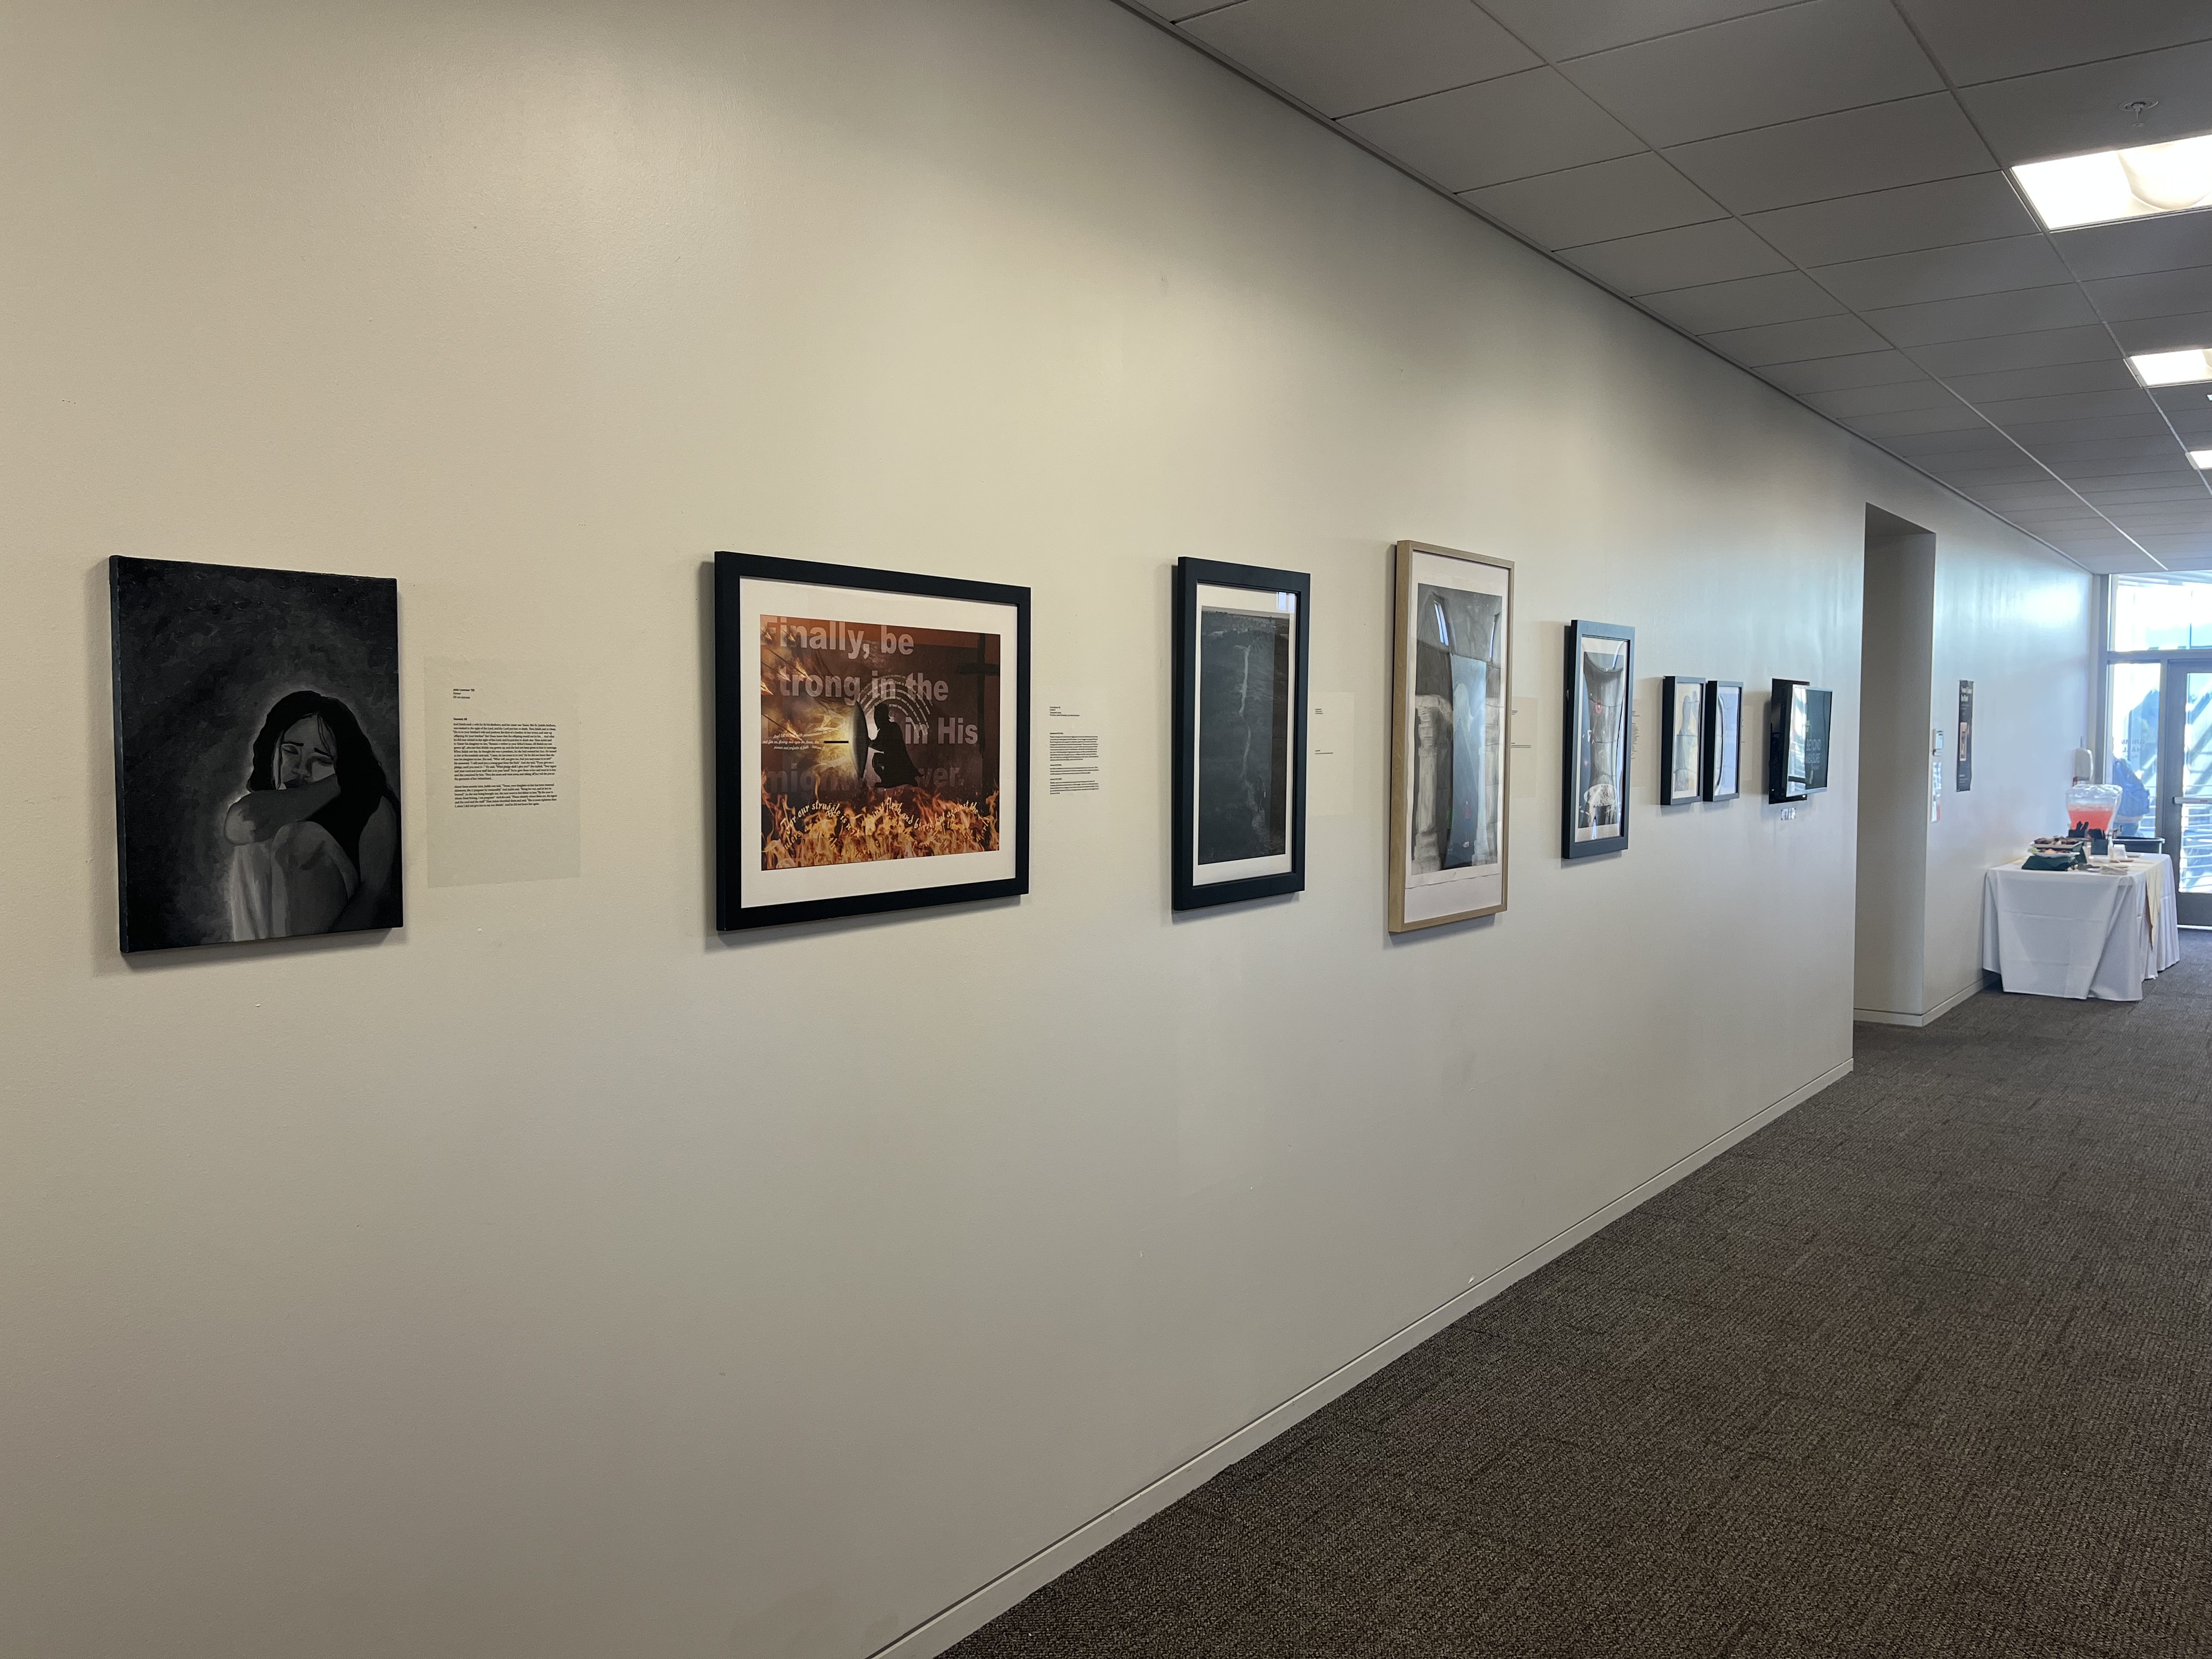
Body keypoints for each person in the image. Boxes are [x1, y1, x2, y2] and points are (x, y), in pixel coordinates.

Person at [223, 691, 400, 939]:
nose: (301, 769)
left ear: (344, 764)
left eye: (322, 760)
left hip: (335, 947)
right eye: (291, 751)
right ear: (274, 748)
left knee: (299, 839)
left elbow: (374, 901)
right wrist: (335, 784)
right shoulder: (270, 808)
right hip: (265, 945)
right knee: (256, 845)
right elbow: (242, 826)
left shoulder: (375, 809)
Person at [862, 701, 919, 788]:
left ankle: (886, 781)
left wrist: (868, 742)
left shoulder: (887, 729)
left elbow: (879, 746)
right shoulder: (893, 726)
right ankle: (888, 780)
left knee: (876, 759)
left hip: (894, 759)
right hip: (897, 758)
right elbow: (880, 744)